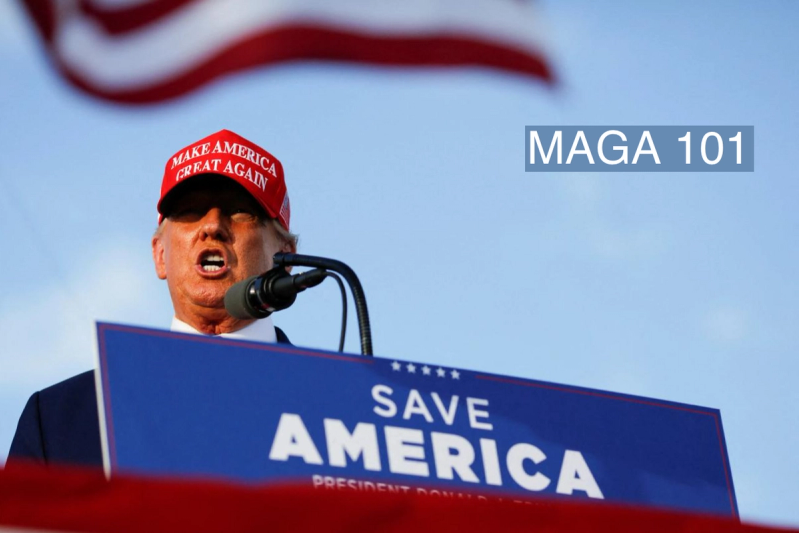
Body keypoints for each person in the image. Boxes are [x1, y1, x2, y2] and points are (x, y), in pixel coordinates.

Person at [7, 129, 297, 466]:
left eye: (239, 212)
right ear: (160, 254)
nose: (212, 226)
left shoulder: (342, 405)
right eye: (190, 211)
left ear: (285, 256)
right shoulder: (61, 419)